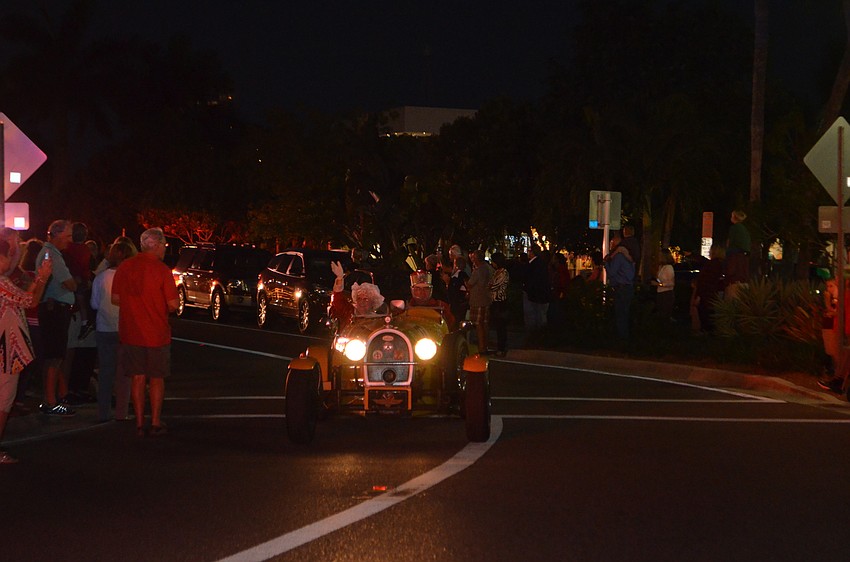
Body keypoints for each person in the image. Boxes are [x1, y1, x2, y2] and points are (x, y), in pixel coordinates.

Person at [112, 228, 179, 437]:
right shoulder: (162, 270)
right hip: (156, 332)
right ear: (156, 246)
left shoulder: (125, 267)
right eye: (164, 245)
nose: (164, 249)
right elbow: (173, 304)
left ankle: (140, 422)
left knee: (137, 377)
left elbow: (115, 298)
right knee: (157, 377)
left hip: (131, 331)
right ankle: (156, 421)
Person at [0, 236, 52, 464]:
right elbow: (30, 301)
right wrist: (42, 278)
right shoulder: (2, 283)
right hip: (5, 351)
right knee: (4, 401)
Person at [91, 241, 136, 422]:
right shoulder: (132, 277)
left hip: (104, 327)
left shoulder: (101, 277)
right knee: (124, 373)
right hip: (125, 328)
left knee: (106, 372)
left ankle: (103, 412)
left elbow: (94, 303)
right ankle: (121, 412)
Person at [37, 220, 78, 417]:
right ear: (58, 234)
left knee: (54, 355)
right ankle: (50, 401)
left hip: (53, 308)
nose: (70, 240)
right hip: (55, 310)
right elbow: (70, 284)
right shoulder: (52, 255)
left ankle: (53, 397)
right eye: (68, 236)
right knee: (55, 355)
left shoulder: (49, 253)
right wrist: (70, 285)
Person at [329, 261, 387, 330]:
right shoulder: (348, 311)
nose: (362, 302)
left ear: (373, 302)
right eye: (359, 298)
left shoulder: (378, 319)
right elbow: (337, 300)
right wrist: (339, 278)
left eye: (366, 299)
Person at [605, 234, 635, 340]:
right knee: (625, 313)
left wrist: (606, 264)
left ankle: (621, 338)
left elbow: (612, 272)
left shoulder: (618, 257)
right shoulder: (628, 257)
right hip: (628, 287)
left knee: (620, 314)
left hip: (621, 288)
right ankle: (625, 337)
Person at [691, 245, 726, 333]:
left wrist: (698, 296)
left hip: (706, 295)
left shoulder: (711, 265)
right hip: (712, 294)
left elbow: (705, 282)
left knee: (705, 317)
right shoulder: (719, 264)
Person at [467, 250, 494, 353]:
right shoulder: (489, 268)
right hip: (487, 298)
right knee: (485, 323)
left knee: (478, 324)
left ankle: (482, 347)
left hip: (477, 299)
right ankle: (485, 344)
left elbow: (470, 284)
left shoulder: (478, 271)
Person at [522, 243, 550, 333]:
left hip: (534, 294)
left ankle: (534, 334)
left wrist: (527, 288)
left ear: (532, 252)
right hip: (540, 294)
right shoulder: (541, 264)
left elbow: (531, 279)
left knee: (533, 316)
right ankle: (539, 334)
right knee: (540, 316)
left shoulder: (533, 265)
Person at [725, 210, 751, 299]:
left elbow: (731, 242)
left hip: (735, 255)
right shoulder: (745, 230)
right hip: (744, 257)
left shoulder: (734, 228)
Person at [488, 252, 510, 357]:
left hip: (500, 301)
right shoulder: (497, 272)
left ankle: (502, 348)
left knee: (501, 326)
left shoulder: (503, 273)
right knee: (498, 326)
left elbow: (493, 286)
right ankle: (500, 347)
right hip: (495, 301)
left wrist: (490, 285)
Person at [651, 249, 675, 322]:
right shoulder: (661, 267)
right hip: (660, 292)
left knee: (665, 314)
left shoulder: (669, 268)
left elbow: (671, 283)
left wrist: (659, 284)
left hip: (666, 293)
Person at [447, 255, 470, 330]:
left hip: (457, 303)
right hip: (460, 302)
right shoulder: (464, 275)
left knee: (456, 321)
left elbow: (454, 290)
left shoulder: (458, 276)